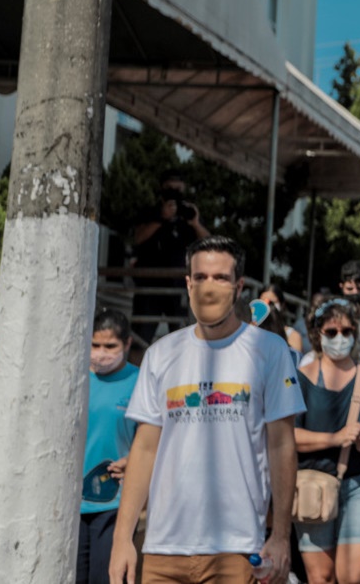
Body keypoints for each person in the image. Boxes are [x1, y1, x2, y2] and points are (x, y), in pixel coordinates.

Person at [109, 235, 305, 584]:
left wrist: (280, 535)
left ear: (239, 286)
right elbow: (145, 448)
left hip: (236, 547)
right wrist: (123, 539)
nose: (208, 287)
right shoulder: (161, 353)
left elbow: (281, 445)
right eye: (200, 277)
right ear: (188, 283)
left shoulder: (269, 351)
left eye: (220, 278)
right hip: (162, 549)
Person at [294, 298, 360, 584]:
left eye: (347, 331)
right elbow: (288, 436)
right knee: (320, 576)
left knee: (351, 576)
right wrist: (334, 438)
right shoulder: (300, 378)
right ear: (317, 334)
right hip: (313, 483)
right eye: (332, 332)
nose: (340, 338)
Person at [80, 309, 140, 584]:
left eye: (110, 346)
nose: (101, 353)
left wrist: (134, 459)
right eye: (95, 345)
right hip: (71, 503)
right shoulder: (76, 377)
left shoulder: (141, 381)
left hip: (115, 502)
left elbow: (154, 438)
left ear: (127, 344)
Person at [131, 172, 211, 343]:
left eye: (178, 189)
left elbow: (210, 244)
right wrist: (161, 218)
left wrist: (195, 224)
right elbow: (137, 238)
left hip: (179, 287)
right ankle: (137, 370)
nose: (174, 193)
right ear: (161, 189)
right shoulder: (150, 211)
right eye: (170, 189)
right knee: (140, 337)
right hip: (150, 286)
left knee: (184, 338)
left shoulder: (188, 213)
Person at [259, 283, 304, 352]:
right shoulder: (250, 331)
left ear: (282, 305)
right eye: (263, 302)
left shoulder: (293, 337)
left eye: (271, 302)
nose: (268, 307)